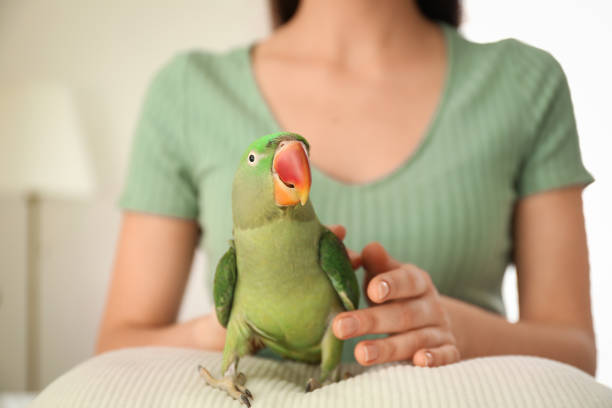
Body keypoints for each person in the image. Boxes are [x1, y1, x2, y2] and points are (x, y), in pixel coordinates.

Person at [96, 0, 596, 374]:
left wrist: (455, 328)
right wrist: (234, 320)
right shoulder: (187, 91)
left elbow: (576, 352)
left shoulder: (525, 83)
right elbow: (115, 348)